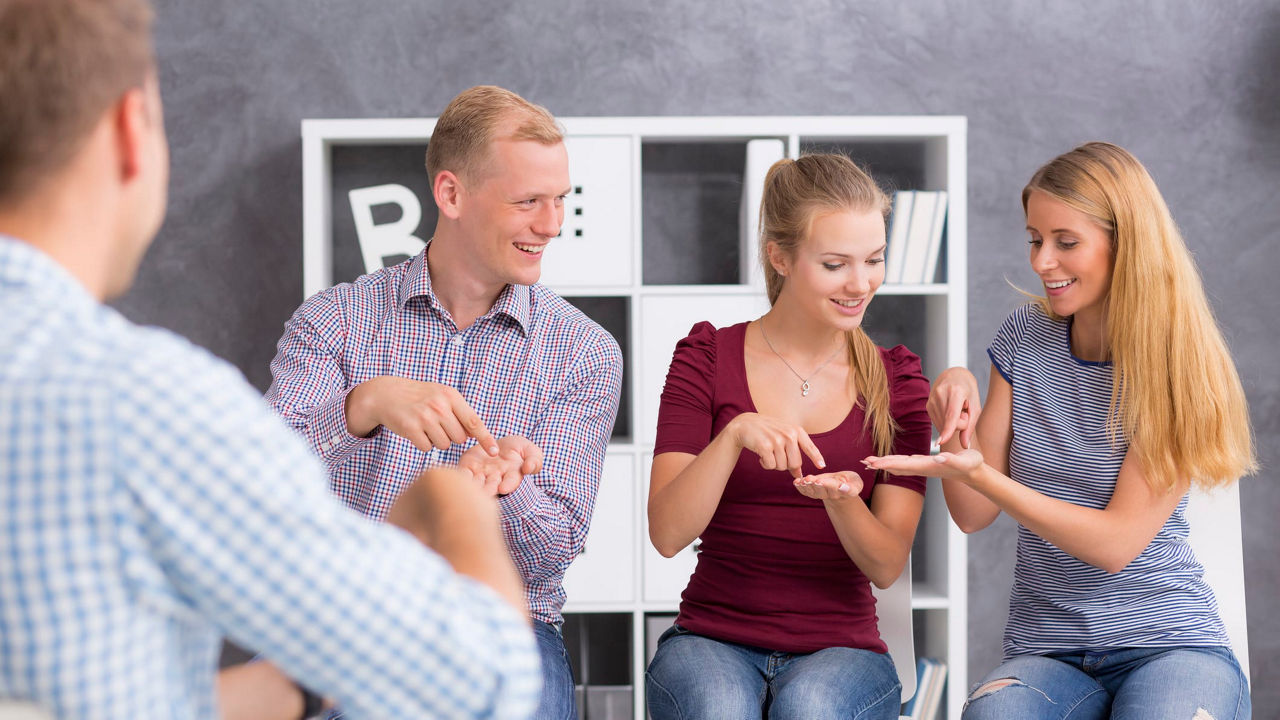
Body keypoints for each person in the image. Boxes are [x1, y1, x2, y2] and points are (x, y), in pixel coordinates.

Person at [0, 1, 540, 718]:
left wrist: (287, 690)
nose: (548, 221)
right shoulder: (143, 403)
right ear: (132, 130)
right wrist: (452, 502)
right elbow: (485, 678)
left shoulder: (580, 345)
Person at [264, 85, 623, 720]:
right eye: (527, 201)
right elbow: (264, 489)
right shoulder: (333, 321)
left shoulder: (583, 351)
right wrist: (359, 408)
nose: (552, 224)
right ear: (452, 194)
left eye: (560, 199)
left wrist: (512, 488)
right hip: (356, 617)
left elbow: (555, 551)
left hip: (506, 625)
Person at [866, 142, 1256, 719]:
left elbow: (1114, 546)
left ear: (1125, 243)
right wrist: (952, 406)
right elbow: (972, 513)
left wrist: (984, 476)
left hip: (1170, 645)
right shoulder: (1025, 335)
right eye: (1035, 239)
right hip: (1046, 652)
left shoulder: (1173, 363)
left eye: (1065, 242)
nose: (1042, 261)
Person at [644, 153, 932, 719]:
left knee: (812, 707)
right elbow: (668, 533)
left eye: (874, 259)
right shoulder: (705, 358)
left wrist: (843, 502)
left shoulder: (897, 381)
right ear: (780, 257)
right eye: (834, 264)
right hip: (712, 639)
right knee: (718, 707)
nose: (860, 283)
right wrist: (730, 439)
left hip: (843, 650)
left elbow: (886, 565)